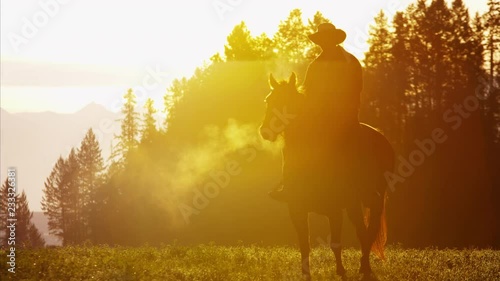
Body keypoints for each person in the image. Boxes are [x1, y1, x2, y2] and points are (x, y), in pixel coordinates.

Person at [269, 23, 363, 202]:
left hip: (345, 113)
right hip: (320, 115)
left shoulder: (349, 61)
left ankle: (359, 183)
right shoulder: (315, 65)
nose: (323, 43)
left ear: (334, 40)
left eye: (327, 39)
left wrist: (338, 106)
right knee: (295, 141)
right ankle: (290, 183)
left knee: (348, 142)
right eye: (321, 40)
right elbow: (307, 90)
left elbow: (355, 87)